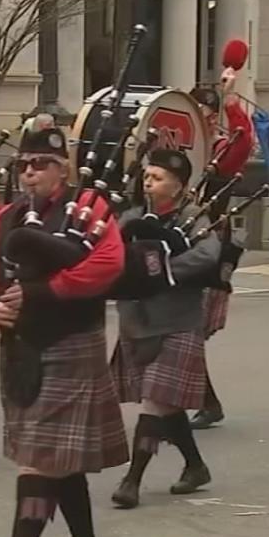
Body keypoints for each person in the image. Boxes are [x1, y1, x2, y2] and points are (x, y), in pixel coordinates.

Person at [0, 127, 127, 537]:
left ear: (63, 168)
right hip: (23, 350)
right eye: (23, 165)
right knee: (59, 464)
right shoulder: (9, 216)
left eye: (40, 164)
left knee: (40, 462)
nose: (29, 172)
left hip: (71, 342)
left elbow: (108, 265)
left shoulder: (89, 208)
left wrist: (41, 293)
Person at [110, 149, 221, 509]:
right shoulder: (131, 217)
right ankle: (196, 465)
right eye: (147, 176)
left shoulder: (195, 217)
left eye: (157, 177)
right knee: (166, 404)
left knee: (154, 400)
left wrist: (164, 270)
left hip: (177, 319)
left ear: (178, 186)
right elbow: (109, 252)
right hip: (136, 320)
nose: (148, 182)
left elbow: (208, 256)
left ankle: (132, 480)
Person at [187, 69, 253, 431]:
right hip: (179, 243)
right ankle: (204, 401)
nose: (206, 122)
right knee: (183, 327)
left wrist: (231, 97)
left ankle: (204, 402)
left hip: (209, 244)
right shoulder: (176, 147)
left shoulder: (225, 147)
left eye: (211, 116)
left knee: (190, 327)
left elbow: (243, 142)